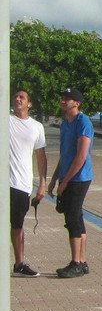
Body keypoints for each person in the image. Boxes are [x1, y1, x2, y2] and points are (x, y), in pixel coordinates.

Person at [48, 87, 94, 278]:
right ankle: (82, 261)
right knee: (77, 218)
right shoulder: (65, 124)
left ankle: (75, 262)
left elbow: (81, 156)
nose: (63, 101)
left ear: (77, 103)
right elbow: (64, 155)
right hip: (67, 177)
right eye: (63, 98)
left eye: (68, 99)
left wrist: (65, 183)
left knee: (73, 219)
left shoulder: (83, 122)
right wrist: (54, 180)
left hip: (79, 178)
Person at [9, 89, 47, 277]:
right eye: (15, 96)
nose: (17, 99)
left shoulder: (37, 127)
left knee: (18, 224)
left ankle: (19, 264)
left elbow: (41, 156)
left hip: (22, 184)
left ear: (29, 104)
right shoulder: (5, 120)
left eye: (22, 97)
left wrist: (42, 183)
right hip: (5, 183)